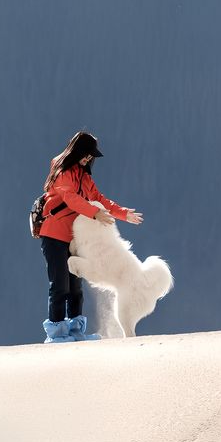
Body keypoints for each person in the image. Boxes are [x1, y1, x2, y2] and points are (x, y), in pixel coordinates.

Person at [39, 131, 144, 342]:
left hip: (73, 239)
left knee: (75, 287)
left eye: (91, 156)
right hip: (54, 234)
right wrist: (94, 213)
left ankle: (75, 331)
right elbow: (70, 199)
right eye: (87, 154)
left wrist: (123, 213)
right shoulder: (63, 171)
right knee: (60, 285)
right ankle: (57, 335)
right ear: (78, 150)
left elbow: (98, 199)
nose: (89, 158)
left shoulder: (83, 176)